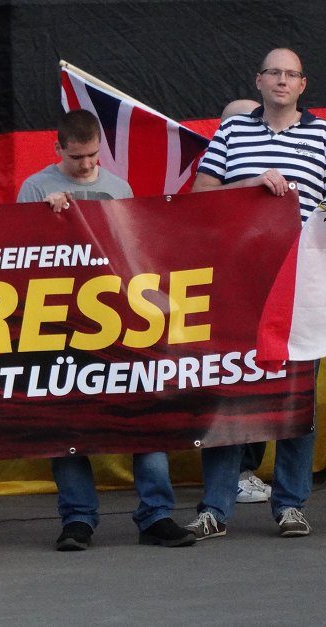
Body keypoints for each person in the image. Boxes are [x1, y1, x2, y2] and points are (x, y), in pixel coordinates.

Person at [17, 110, 197, 550]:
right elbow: (18, 256)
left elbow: (133, 250)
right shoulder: (35, 188)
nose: (86, 166)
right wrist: (46, 219)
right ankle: (78, 518)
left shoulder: (119, 187)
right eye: (77, 157)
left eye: (94, 155)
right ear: (57, 149)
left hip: (118, 317)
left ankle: (156, 515)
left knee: (144, 416)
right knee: (66, 423)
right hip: (60, 324)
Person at [188, 47, 325, 539]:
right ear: (260, 81)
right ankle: (215, 509)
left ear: (303, 85)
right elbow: (200, 197)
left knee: (295, 397)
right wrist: (247, 183)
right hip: (238, 281)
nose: (282, 81)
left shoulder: (323, 136)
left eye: (291, 74)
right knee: (230, 394)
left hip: (301, 283)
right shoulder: (232, 132)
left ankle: (290, 505)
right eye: (274, 73)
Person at [213, 98, 274, 506]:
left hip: (276, 283)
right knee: (232, 379)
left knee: (271, 376)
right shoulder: (221, 163)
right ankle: (227, 479)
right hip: (227, 285)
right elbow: (198, 206)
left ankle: (246, 468)